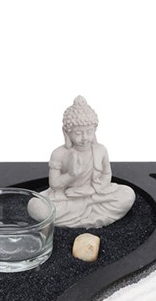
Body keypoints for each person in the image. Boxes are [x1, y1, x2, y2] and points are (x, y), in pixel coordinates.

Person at [28, 96, 135, 228]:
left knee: (128, 194)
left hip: (95, 196)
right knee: (35, 206)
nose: (84, 138)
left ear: (95, 130)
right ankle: (87, 214)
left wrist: (90, 190)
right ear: (67, 132)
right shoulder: (59, 154)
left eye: (89, 132)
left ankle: (82, 214)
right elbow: (54, 184)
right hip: (66, 198)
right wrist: (71, 175)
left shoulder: (100, 150)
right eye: (78, 133)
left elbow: (106, 175)